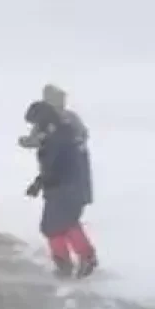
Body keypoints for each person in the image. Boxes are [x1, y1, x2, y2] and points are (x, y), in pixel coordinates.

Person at [23, 100, 98, 278]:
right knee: (57, 224)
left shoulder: (58, 135)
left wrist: (39, 182)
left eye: (35, 123)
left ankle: (80, 259)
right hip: (65, 186)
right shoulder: (59, 131)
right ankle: (67, 261)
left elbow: (55, 164)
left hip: (66, 187)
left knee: (59, 224)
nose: (35, 128)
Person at [19, 83, 92, 205]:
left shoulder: (65, 118)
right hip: (60, 171)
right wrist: (28, 141)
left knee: (62, 205)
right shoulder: (51, 118)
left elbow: (80, 135)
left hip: (64, 172)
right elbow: (39, 138)